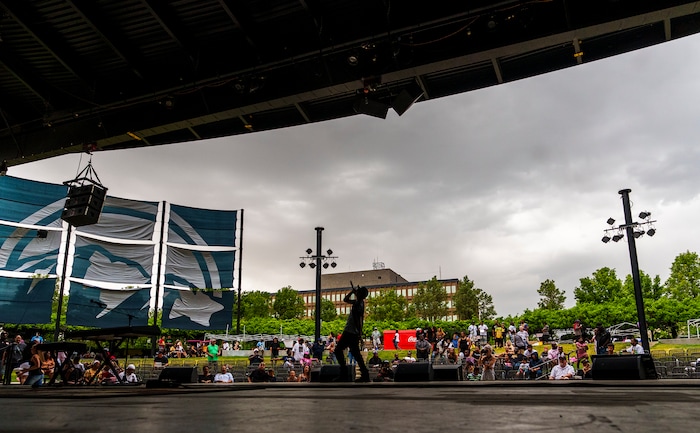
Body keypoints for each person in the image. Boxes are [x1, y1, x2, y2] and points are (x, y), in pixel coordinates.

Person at [333, 285, 370, 382]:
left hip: (350, 332)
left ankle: (344, 374)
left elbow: (358, 319)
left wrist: (353, 292)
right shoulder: (359, 303)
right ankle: (365, 374)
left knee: (338, 351)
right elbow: (346, 299)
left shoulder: (358, 304)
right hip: (353, 332)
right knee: (356, 354)